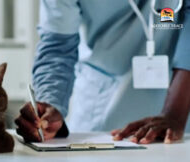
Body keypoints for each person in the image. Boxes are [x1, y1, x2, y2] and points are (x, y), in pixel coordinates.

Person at [15, 0, 190, 144]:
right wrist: (49, 103)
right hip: (102, 110)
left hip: (181, 110)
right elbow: (58, 46)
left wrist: (174, 114)